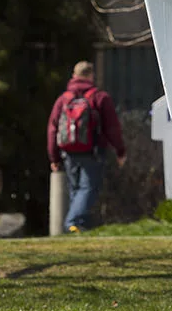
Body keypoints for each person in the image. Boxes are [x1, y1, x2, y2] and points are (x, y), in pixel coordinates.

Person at [48, 61, 127, 232]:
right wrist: (120, 151)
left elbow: (53, 128)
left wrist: (53, 157)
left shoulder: (63, 99)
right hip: (93, 151)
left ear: (74, 76)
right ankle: (73, 222)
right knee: (88, 188)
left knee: (76, 189)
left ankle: (77, 225)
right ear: (91, 75)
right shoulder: (99, 97)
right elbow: (112, 128)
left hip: (68, 152)